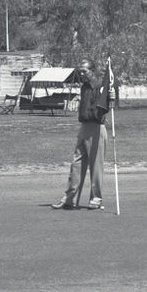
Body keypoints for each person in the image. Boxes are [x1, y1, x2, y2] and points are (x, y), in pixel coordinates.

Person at [51, 57, 113, 211]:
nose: (81, 74)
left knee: (95, 166)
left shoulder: (101, 86)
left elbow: (106, 105)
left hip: (97, 128)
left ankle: (96, 199)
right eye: (80, 71)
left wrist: (110, 98)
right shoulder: (84, 87)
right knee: (76, 164)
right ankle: (69, 199)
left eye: (84, 71)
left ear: (92, 71)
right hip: (84, 128)